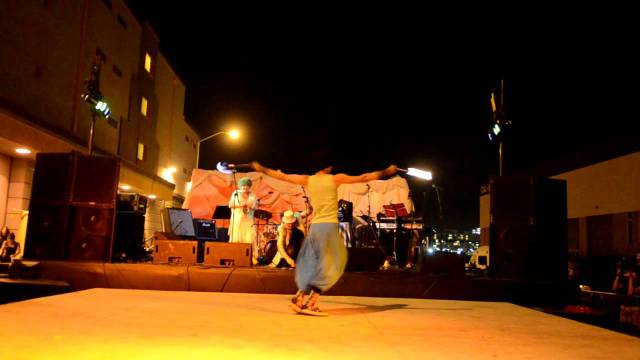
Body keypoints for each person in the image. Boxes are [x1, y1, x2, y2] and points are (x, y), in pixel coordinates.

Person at [251, 159, 397, 316]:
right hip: (328, 226)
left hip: (316, 226)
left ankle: (299, 298)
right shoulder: (336, 179)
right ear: (327, 166)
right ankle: (310, 303)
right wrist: (387, 172)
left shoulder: (308, 180)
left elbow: (282, 176)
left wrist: (261, 168)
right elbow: (364, 177)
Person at [228, 177, 258, 263]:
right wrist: (241, 205)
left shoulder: (253, 195)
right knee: (236, 238)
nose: (245, 188)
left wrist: (249, 205)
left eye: (247, 186)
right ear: (240, 186)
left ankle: (251, 257)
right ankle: (234, 256)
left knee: (250, 237)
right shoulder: (236, 193)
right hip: (238, 220)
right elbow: (230, 204)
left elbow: (255, 207)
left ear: (250, 187)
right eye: (243, 186)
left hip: (248, 220)